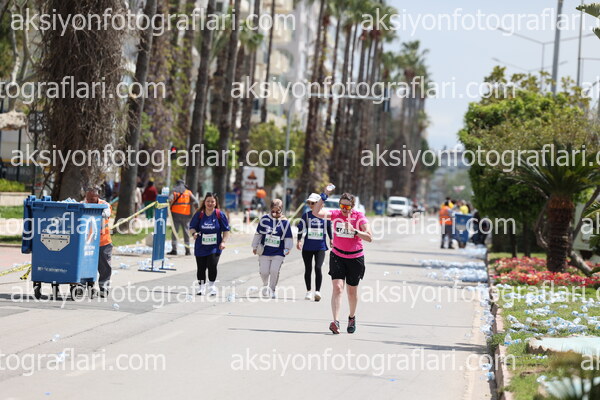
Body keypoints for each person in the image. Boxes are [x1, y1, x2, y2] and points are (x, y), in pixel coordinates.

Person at [312, 184, 373, 335]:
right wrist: (324, 195)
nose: (344, 209)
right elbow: (316, 212)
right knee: (338, 288)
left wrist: (355, 231)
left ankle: (352, 317)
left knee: (351, 292)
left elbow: (369, 237)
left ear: (352, 206)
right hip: (337, 256)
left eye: (347, 206)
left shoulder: (359, 217)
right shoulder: (336, 214)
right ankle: (336, 321)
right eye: (342, 206)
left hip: (355, 257)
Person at [189, 193, 231, 296]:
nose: (210, 203)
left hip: (215, 246)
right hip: (201, 246)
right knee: (201, 267)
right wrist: (194, 234)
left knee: (212, 265)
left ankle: (212, 286)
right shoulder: (199, 214)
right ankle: (201, 288)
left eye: (212, 201)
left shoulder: (219, 214)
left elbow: (226, 230)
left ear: (215, 203)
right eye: (208, 201)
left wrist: (223, 242)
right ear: (204, 202)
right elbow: (192, 227)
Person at [251, 199, 293, 299]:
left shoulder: (285, 222)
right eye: (273, 211)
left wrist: (287, 248)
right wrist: (254, 246)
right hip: (264, 251)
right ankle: (265, 285)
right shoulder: (264, 219)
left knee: (274, 270)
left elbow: (288, 236)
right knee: (264, 272)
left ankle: (272, 289)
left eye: (278, 211)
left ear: (281, 209)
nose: (275, 214)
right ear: (270, 209)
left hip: (278, 251)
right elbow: (258, 233)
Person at [297, 193, 332, 302]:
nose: (310, 205)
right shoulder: (306, 215)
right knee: (308, 269)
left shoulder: (325, 216)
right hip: (307, 247)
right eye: (309, 203)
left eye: (313, 203)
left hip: (320, 247)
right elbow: (301, 228)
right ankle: (308, 291)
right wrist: (299, 240)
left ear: (319, 203)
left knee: (318, 267)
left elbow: (329, 228)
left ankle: (317, 291)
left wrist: (331, 239)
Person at [84, 186, 112, 298]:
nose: (89, 201)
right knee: (86, 265)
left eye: (92, 199)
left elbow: (106, 214)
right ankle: (86, 286)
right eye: (88, 198)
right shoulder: (83, 203)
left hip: (103, 242)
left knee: (104, 267)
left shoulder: (105, 205)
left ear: (97, 196)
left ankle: (103, 288)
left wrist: (91, 210)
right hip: (88, 242)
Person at [168, 179, 198, 256]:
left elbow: (169, 200)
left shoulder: (174, 191)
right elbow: (196, 201)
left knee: (175, 232)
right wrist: (196, 209)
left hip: (175, 214)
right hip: (186, 215)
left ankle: (174, 250)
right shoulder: (188, 192)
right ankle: (187, 251)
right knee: (186, 232)